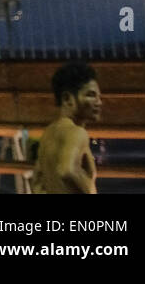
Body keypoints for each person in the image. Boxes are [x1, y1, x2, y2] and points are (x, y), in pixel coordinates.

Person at [30, 62, 101, 194]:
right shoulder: (77, 132)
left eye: (99, 96)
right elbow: (67, 170)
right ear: (68, 98)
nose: (99, 102)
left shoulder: (48, 133)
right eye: (91, 95)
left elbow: (36, 182)